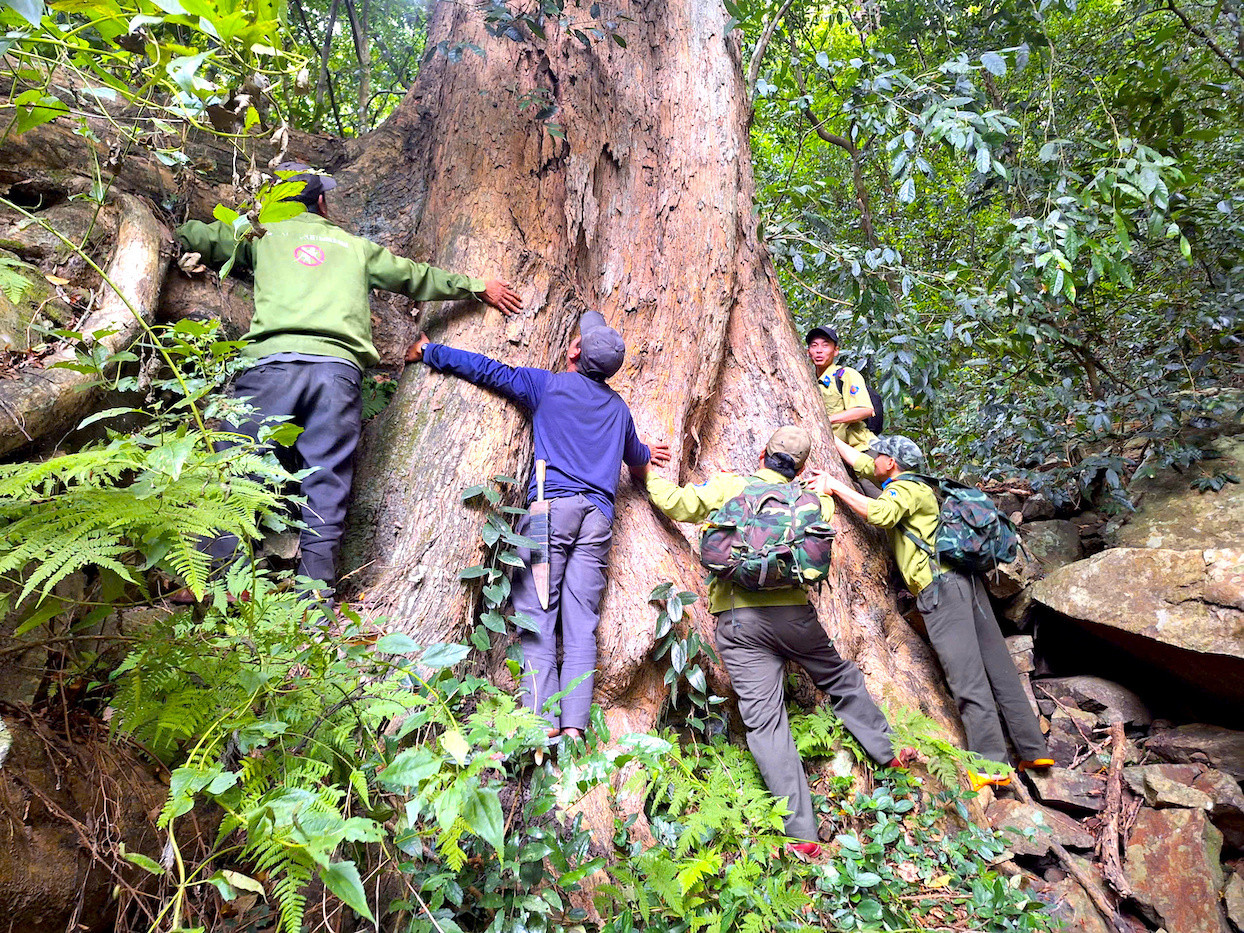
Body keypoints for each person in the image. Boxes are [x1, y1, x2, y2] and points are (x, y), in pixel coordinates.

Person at [175, 163, 523, 595]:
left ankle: (217, 587)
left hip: (270, 368)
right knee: (325, 483)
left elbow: (197, 236)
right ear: (321, 202)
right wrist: (475, 285)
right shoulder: (355, 247)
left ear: (274, 202)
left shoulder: (259, 234)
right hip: (336, 374)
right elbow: (415, 276)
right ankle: (314, 599)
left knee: (239, 471)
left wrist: (177, 235)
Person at [635, 426, 913, 857]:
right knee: (839, 678)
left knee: (765, 723)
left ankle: (802, 835)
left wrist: (649, 472)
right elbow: (820, 528)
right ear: (800, 468)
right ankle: (889, 752)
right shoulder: (811, 500)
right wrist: (823, 487)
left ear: (763, 454)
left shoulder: (731, 487)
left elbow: (676, 503)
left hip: (738, 622)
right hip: (795, 618)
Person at [406, 311, 669, 741]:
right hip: (597, 519)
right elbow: (637, 459)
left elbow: (488, 371)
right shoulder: (619, 410)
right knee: (581, 623)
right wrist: (645, 453)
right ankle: (574, 727)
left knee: (537, 613)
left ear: (575, 351)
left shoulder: (548, 386)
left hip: (551, 513)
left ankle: (540, 723)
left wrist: (429, 351)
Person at [817, 435, 1054, 790]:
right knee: (999, 668)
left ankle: (991, 765)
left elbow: (880, 514)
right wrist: (831, 437)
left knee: (966, 676)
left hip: (941, 590)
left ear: (891, 463)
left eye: (878, 455)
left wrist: (834, 485)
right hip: (966, 583)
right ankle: (1033, 750)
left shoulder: (904, 489)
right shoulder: (920, 484)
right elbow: (863, 465)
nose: (872, 458)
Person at [805, 325, 878, 453]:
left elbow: (865, 410)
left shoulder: (845, 375)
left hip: (859, 448)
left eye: (825, 345)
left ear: (836, 351)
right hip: (830, 451)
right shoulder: (808, 382)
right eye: (814, 346)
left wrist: (827, 420)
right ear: (808, 352)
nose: (819, 350)